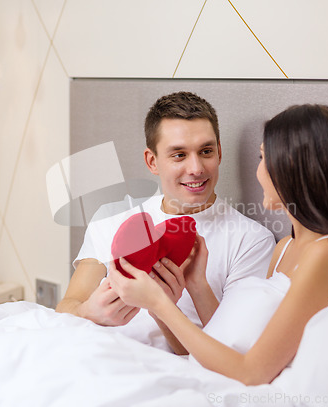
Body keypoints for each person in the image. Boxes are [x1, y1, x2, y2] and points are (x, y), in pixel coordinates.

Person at [108, 104, 328, 384]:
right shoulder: (285, 249)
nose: (258, 171)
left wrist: (158, 303)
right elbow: (236, 340)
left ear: (293, 168)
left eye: (263, 158)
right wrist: (197, 285)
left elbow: (252, 371)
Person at [56, 91, 275, 353]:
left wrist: (169, 303)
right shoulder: (112, 220)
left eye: (206, 151)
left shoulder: (251, 240)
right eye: (179, 155)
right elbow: (67, 307)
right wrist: (89, 311)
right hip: (95, 358)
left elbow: (229, 351)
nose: (196, 168)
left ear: (219, 152)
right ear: (152, 161)